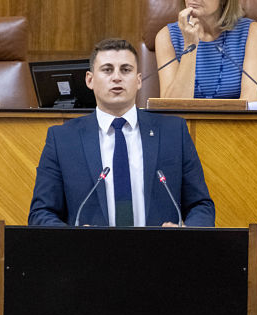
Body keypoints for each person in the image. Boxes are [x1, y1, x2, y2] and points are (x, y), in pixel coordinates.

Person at [28, 38, 215, 227]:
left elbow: (201, 206)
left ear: (138, 80)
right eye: (107, 70)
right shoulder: (63, 139)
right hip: (88, 247)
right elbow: (41, 213)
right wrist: (75, 238)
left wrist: (185, 234)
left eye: (125, 70)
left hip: (160, 246)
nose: (117, 77)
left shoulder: (173, 132)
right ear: (90, 80)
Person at [155, 0, 257, 101]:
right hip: (183, 119)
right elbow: (172, 107)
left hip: (236, 118)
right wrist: (190, 45)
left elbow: (252, 103)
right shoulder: (167, 37)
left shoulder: (252, 33)